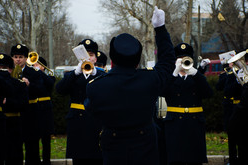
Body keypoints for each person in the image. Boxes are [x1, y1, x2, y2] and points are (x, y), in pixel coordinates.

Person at [85, 7, 175, 165]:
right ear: (138, 59)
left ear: (112, 57)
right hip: (145, 148)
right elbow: (168, 61)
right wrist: (160, 28)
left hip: (113, 150)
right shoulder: (150, 79)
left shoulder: (95, 86)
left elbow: (91, 109)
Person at [161, 42, 213, 165]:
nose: (183, 63)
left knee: (194, 160)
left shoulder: (196, 76)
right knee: (176, 160)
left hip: (194, 124)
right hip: (175, 125)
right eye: (180, 60)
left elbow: (208, 93)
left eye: (186, 59)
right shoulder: (170, 77)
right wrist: (174, 73)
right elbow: (162, 91)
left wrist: (196, 73)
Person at [56, 39, 104, 165]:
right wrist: (75, 73)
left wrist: (96, 74)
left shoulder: (102, 75)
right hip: (77, 123)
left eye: (91, 55)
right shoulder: (72, 75)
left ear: (95, 58)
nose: (88, 58)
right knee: (79, 158)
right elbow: (60, 90)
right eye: (84, 55)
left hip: (95, 122)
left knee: (97, 158)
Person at [11, 44, 44, 165]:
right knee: (15, 147)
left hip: (31, 112)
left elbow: (41, 89)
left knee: (32, 147)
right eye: (15, 57)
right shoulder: (9, 72)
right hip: (15, 114)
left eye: (21, 57)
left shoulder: (33, 72)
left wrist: (29, 85)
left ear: (26, 58)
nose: (18, 59)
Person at [0, 53, 28, 165]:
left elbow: (23, 104)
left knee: (14, 156)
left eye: (4, 68)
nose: (1, 70)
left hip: (13, 124)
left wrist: (8, 102)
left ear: (10, 69)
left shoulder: (18, 84)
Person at [216, 60, 242, 165]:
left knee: (242, 135)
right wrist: (230, 74)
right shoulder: (228, 74)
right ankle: (232, 160)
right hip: (230, 109)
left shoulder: (242, 74)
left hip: (240, 107)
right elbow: (222, 88)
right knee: (231, 136)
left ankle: (242, 158)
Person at [33, 56, 55, 165]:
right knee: (34, 138)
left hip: (46, 110)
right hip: (34, 109)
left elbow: (50, 84)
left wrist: (39, 71)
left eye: (38, 64)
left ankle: (47, 161)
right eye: (34, 64)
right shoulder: (33, 76)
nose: (35, 66)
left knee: (46, 139)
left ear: (43, 66)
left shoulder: (49, 76)